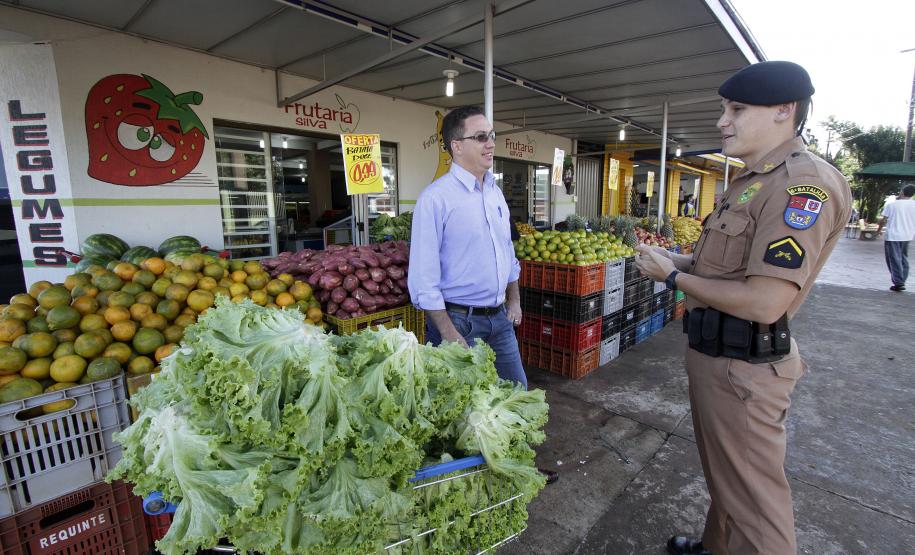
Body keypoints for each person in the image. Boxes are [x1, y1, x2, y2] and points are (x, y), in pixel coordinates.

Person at [635, 61, 851, 555]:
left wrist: (672, 276)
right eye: (723, 109)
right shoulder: (752, 181)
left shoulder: (802, 185)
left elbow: (765, 299)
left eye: (736, 109)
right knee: (730, 481)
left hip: (744, 371)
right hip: (721, 361)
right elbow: (726, 264)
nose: (722, 121)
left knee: (758, 506)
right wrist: (679, 258)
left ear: (784, 110)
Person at [409, 105, 526, 386]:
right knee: (465, 414)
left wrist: (515, 300)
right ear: (457, 146)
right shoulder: (435, 199)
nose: (491, 143)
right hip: (459, 322)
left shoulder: (495, 194)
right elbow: (423, 279)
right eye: (481, 136)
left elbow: (507, 252)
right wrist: (448, 333)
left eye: (492, 135)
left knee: (518, 393)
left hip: (500, 321)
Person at [877, 184, 915, 291]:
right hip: (907, 235)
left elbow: (883, 220)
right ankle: (902, 278)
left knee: (893, 259)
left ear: (902, 192)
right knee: (903, 257)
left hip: (893, 236)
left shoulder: (892, 205)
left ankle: (899, 282)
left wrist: (878, 231)